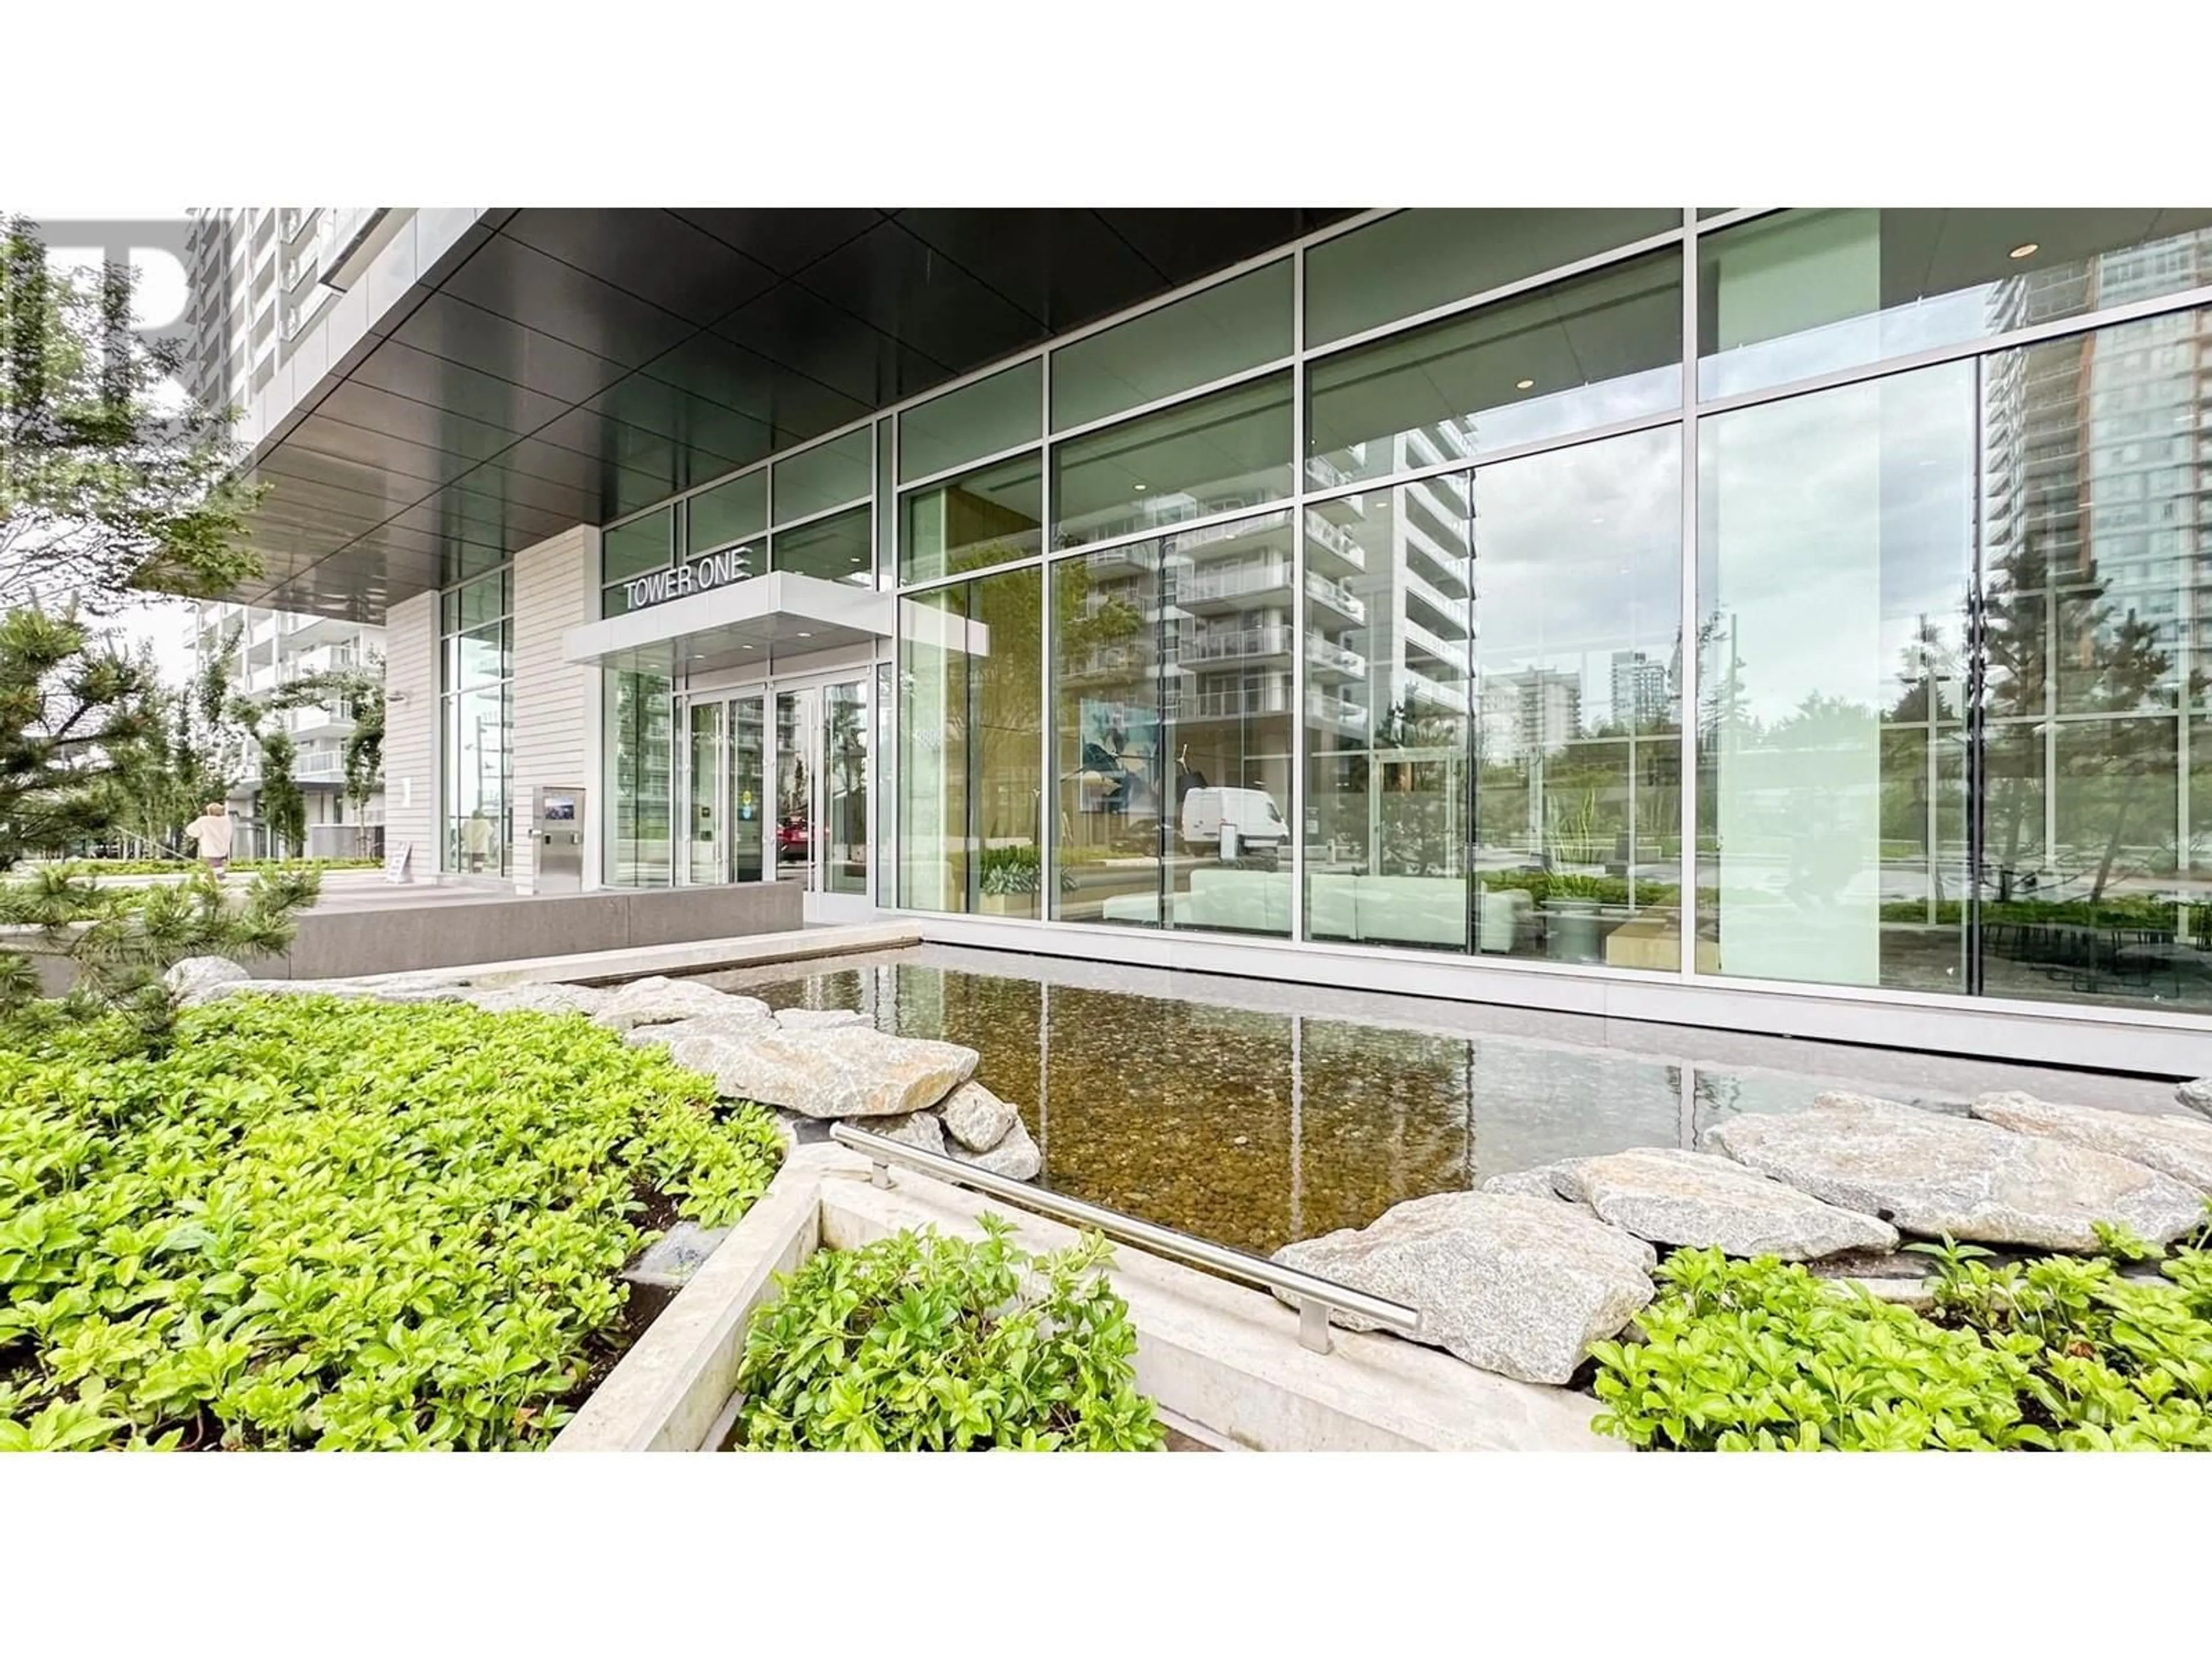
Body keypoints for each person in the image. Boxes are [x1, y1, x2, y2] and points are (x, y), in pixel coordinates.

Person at [183, 801, 234, 880]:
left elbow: (191, 830)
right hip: (223, 846)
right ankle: (216, 876)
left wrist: (198, 834)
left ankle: (218, 877)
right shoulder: (227, 821)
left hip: (209, 846)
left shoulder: (204, 820)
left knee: (212, 862)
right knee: (217, 862)